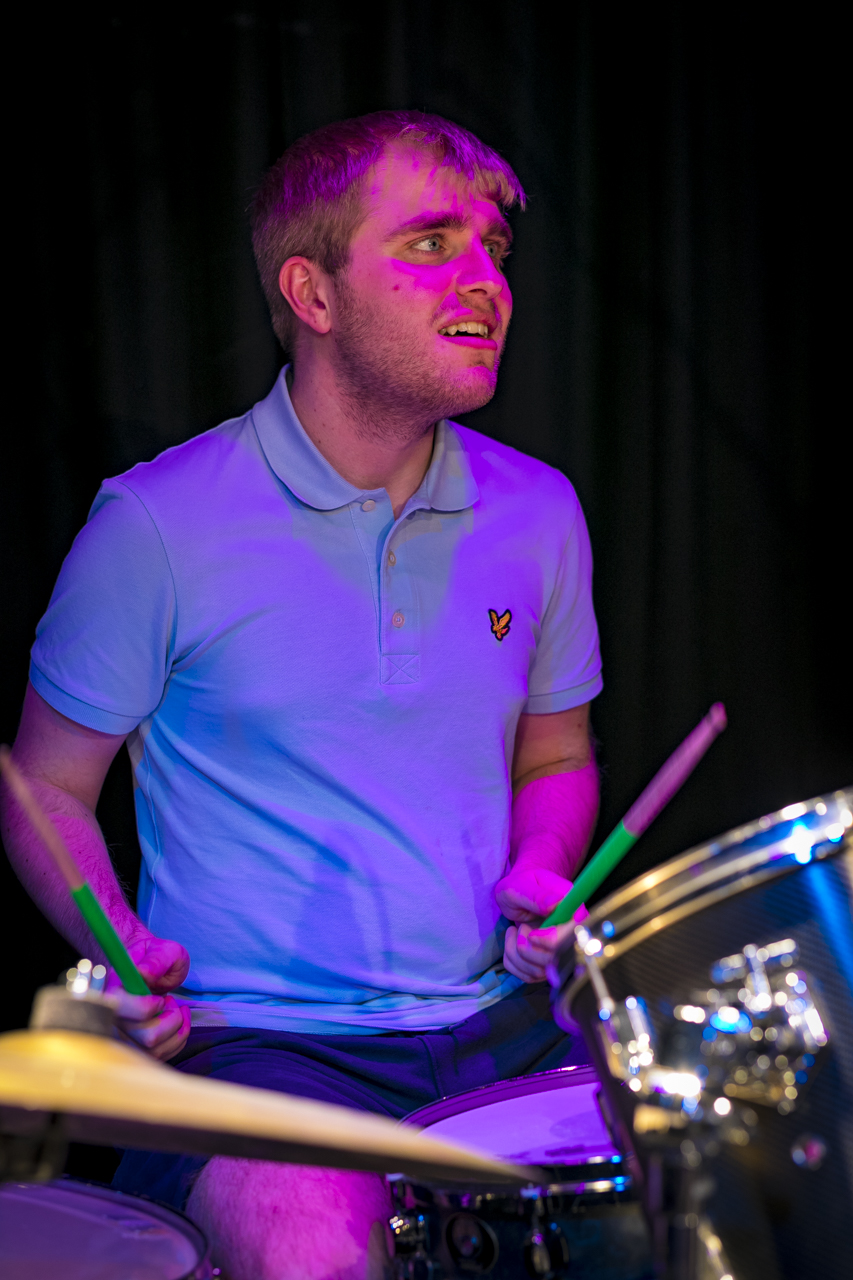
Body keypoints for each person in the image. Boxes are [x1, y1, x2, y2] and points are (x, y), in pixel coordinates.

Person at [0, 112, 602, 1279]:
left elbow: (554, 750)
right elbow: (43, 786)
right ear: (311, 293)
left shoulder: (540, 513)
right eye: (432, 244)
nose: (485, 279)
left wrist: (543, 859)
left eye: (494, 248)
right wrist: (116, 941)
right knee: (311, 1247)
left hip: (501, 1024)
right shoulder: (157, 526)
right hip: (262, 1052)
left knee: (709, 1188)